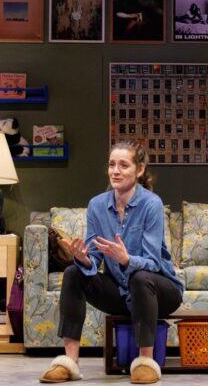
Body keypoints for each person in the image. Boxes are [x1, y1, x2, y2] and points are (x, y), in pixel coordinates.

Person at [40, 140, 183, 385]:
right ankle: (70, 361)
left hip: (160, 291)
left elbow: (152, 262)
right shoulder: (97, 205)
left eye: (123, 165)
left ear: (139, 170)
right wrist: (84, 258)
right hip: (119, 290)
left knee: (139, 276)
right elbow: (94, 257)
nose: (115, 171)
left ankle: (145, 363)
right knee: (74, 272)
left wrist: (126, 259)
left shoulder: (151, 204)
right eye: (111, 164)